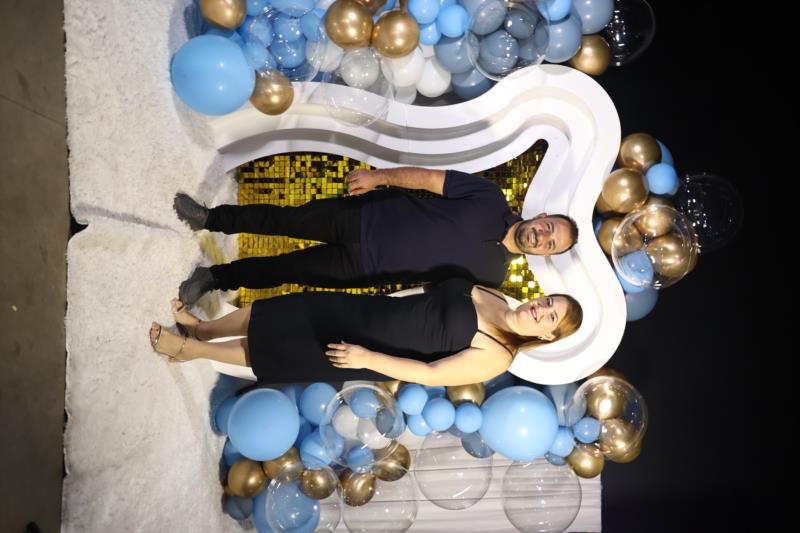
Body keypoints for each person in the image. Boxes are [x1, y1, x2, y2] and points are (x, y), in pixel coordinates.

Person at [175, 167, 579, 305]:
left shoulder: (493, 277)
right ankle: (210, 217)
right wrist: (378, 177)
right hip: (364, 217)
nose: (543, 237)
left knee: (285, 270)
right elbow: (429, 180)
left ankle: (214, 278)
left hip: (363, 268)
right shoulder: (490, 197)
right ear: (542, 216)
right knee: (284, 220)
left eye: (551, 243)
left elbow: (433, 290)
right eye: (549, 228)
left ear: (544, 254)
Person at [149, 278, 583, 386]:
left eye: (549, 318)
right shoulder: (497, 295)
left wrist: (367, 358)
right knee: (280, 312)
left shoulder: (499, 355)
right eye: (548, 301)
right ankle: (203, 328)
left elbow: (430, 374)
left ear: (547, 337)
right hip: (366, 310)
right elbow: (426, 294)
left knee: (278, 349)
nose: (540, 309)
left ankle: (192, 351)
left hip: (369, 348)